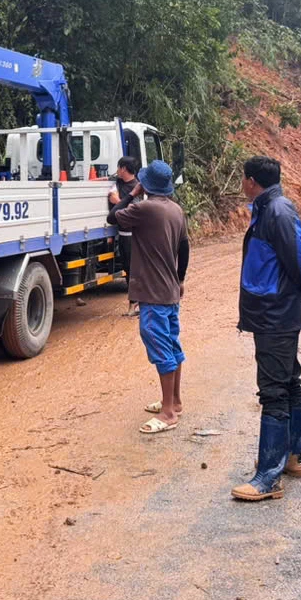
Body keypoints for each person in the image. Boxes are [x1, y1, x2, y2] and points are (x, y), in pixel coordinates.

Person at [232, 156, 301, 502]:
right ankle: (291, 456)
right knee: (288, 381)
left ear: (252, 181)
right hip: (277, 312)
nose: (242, 184)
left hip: (276, 315)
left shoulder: (277, 211)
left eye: (243, 179)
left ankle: (267, 478)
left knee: (273, 390)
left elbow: (298, 255)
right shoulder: (269, 207)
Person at [108, 160, 189, 434]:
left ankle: (168, 414)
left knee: (159, 345)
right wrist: (180, 280)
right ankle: (174, 402)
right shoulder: (176, 210)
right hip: (169, 289)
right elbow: (185, 247)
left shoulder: (144, 208)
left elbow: (113, 217)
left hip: (152, 292)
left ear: (146, 184)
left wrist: (131, 194)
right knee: (172, 343)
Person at [109, 157, 141, 317]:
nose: (117, 170)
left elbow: (132, 209)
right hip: (122, 235)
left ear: (123, 168)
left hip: (135, 236)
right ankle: (134, 304)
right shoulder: (119, 183)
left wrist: (118, 203)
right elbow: (111, 195)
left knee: (136, 270)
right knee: (127, 269)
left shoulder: (138, 187)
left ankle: (137, 304)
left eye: (118, 167)